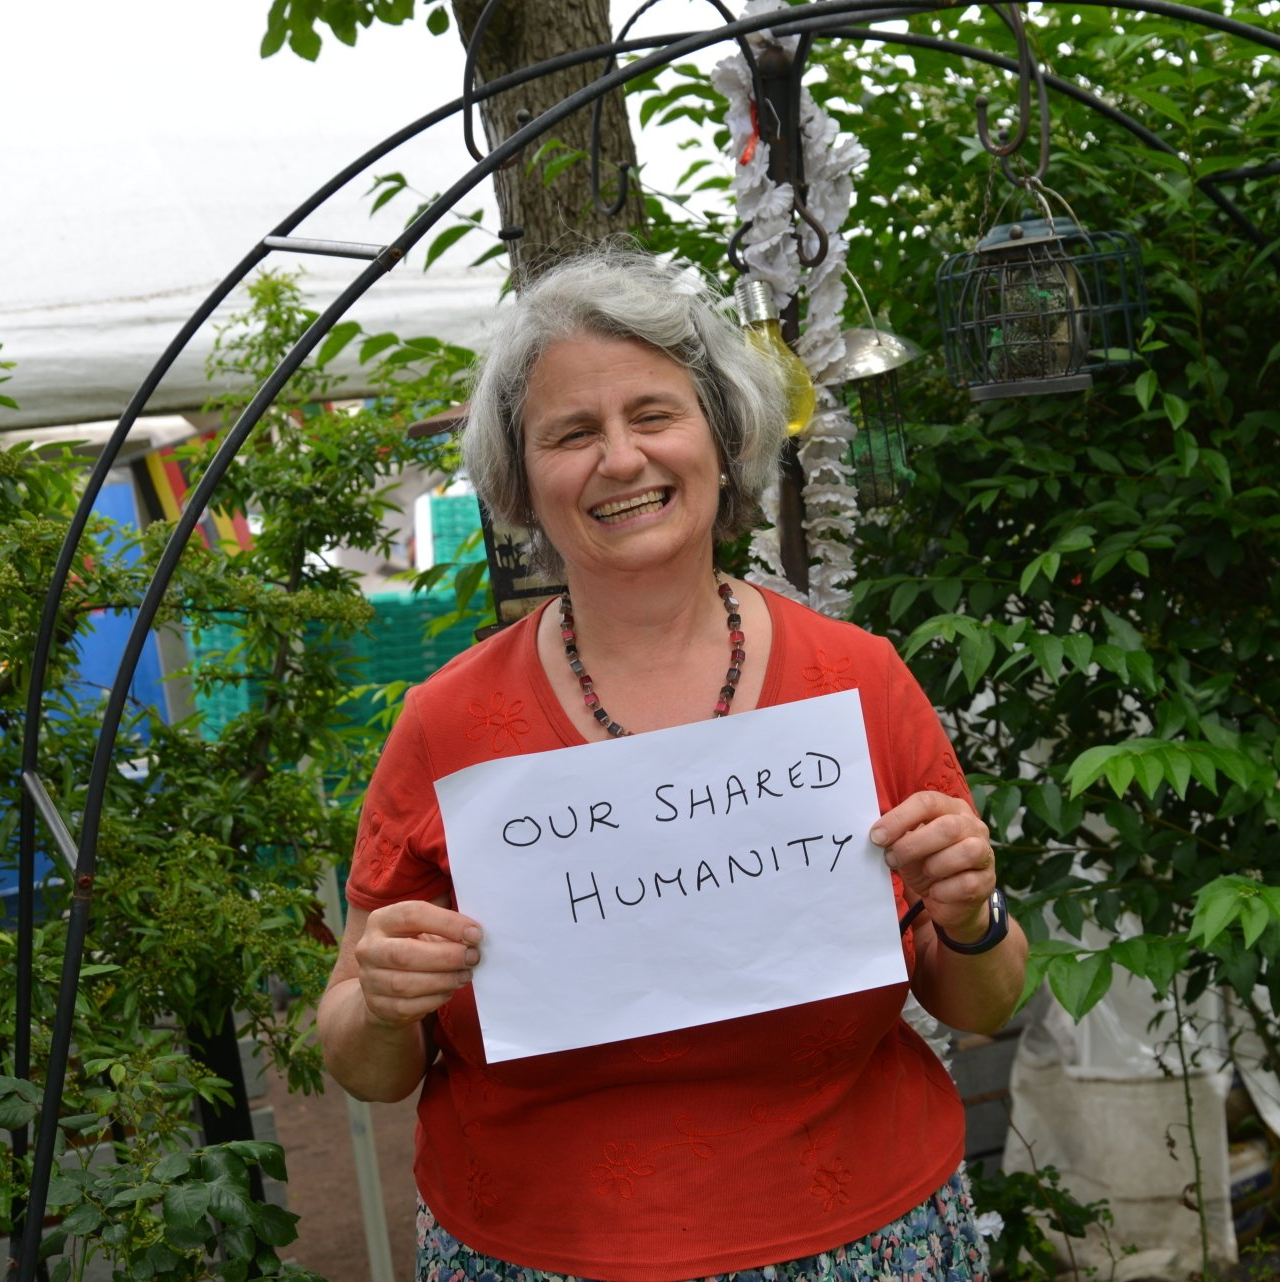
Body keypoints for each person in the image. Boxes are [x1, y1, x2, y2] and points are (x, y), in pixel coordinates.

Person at [317, 249, 1028, 1282]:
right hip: (538, 1253)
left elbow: (983, 1001)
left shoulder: (855, 681)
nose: (620, 459)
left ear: (718, 435)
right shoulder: (446, 725)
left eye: (652, 415)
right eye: (571, 432)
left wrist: (970, 914)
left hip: (869, 1241)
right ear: (521, 480)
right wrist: (383, 998)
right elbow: (361, 1061)